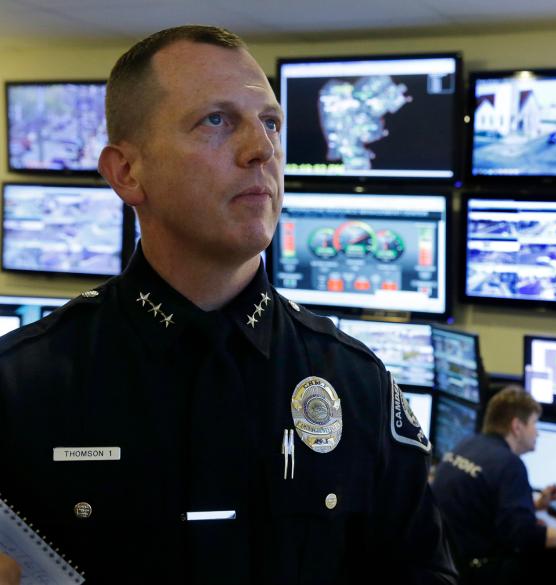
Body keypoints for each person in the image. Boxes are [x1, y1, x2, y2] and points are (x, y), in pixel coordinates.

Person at [0, 25, 456, 585]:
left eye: (270, 123)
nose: (261, 149)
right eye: (215, 120)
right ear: (126, 172)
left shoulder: (358, 386)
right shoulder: (20, 387)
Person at [432, 386, 556, 584]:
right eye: (534, 423)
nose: (538, 433)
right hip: (479, 571)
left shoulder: (469, 444)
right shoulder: (509, 464)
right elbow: (525, 536)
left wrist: (536, 505)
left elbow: (485, 506)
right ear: (517, 427)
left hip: (446, 565)